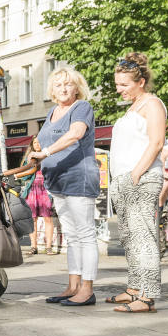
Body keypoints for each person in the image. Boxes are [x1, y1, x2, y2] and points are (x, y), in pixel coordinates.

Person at [26, 67, 98, 306]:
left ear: (77, 87)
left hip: (78, 179)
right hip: (56, 181)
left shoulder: (82, 108)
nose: (64, 88)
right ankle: (73, 285)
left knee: (85, 234)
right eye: (58, 85)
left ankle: (86, 289)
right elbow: (42, 141)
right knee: (72, 235)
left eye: (68, 84)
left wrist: (45, 151)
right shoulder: (52, 111)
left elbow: (75, 134)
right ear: (52, 89)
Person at [105, 53, 167, 313]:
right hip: (125, 180)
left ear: (140, 81)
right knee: (129, 238)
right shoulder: (133, 107)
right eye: (117, 84)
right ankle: (134, 289)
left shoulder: (152, 104)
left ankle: (148, 296)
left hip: (141, 179)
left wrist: (136, 174)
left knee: (144, 237)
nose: (119, 90)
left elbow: (156, 142)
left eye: (124, 85)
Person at [19, 137, 55, 255]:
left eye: (39, 142)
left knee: (48, 219)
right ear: (32, 145)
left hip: (45, 191)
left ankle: (48, 247)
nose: (37, 144)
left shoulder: (48, 156)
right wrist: (29, 164)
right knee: (32, 219)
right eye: (34, 142)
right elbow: (24, 177)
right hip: (32, 190)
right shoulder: (30, 158)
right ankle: (33, 247)